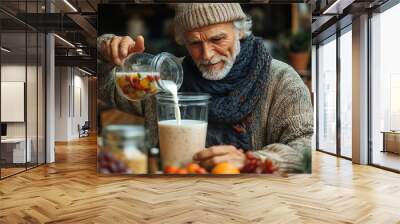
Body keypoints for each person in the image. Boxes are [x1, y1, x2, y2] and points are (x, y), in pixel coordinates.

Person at [97, 3, 313, 173]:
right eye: (194, 43)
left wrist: (254, 160)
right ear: (183, 41)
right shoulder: (166, 78)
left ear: (240, 31)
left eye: (217, 39)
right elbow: (105, 87)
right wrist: (106, 53)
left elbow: (305, 149)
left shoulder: (281, 80)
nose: (207, 55)